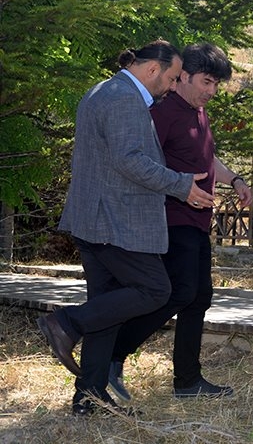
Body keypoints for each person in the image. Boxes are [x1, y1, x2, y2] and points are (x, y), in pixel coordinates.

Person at [40, 40, 216, 416]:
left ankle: (88, 398)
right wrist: (181, 185)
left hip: (95, 221)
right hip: (115, 221)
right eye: (172, 78)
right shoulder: (123, 98)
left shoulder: (105, 91)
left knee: (107, 310)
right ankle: (66, 322)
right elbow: (130, 160)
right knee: (156, 289)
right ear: (153, 69)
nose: (173, 85)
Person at [107, 43, 252, 401]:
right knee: (179, 292)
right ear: (183, 75)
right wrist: (176, 189)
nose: (211, 91)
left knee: (199, 297)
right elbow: (138, 162)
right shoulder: (162, 111)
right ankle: (111, 355)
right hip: (170, 218)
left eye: (216, 84)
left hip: (198, 220)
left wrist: (234, 179)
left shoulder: (198, 112)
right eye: (206, 82)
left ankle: (187, 381)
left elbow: (205, 157)